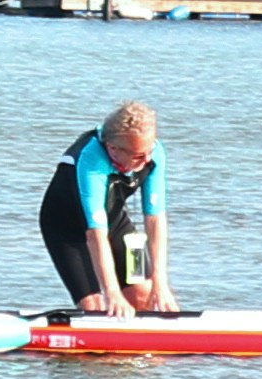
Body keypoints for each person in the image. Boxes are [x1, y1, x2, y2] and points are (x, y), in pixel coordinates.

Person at [40, 99, 177, 314]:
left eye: (150, 150)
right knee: (96, 307)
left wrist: (161, 283)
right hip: (67, 231)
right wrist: (112, 292)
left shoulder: (154, 153)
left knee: (145, 292)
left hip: (116, 221)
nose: (148, 159)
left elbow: (155, 219)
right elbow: (95, 234)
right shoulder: (90, 160)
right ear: (113, 150)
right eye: (139, 156)